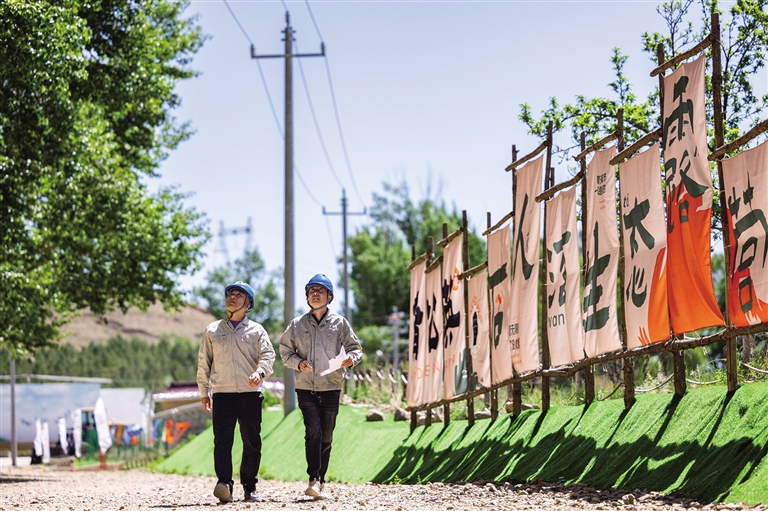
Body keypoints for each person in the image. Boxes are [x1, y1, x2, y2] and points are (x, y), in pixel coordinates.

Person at [279, 273, 363, 500]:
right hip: (305, 387)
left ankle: (321, 480)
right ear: (307, 296)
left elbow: (356, 349)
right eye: (311, 290)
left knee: (326, 435)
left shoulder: (340, 323)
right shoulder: (296, 325)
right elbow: (285, 352)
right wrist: (298, 363)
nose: (315, 293)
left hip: (331, 386)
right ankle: (313, 478)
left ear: (330, 296)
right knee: (312, 430)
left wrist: (351, 359)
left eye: (320, 290)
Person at [197, 281, 275, 504]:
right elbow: (204, 363)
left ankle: (250, 487)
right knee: (223, 440)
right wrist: (204, 391)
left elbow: (268, 356)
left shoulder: (257, 330)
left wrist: (259, 373)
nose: (232, 296)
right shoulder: (212, 330)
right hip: (222, 393)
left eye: (239, 294)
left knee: (252, 441)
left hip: (250, 393)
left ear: (248, 304)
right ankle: (224, 484)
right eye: (230, 293)